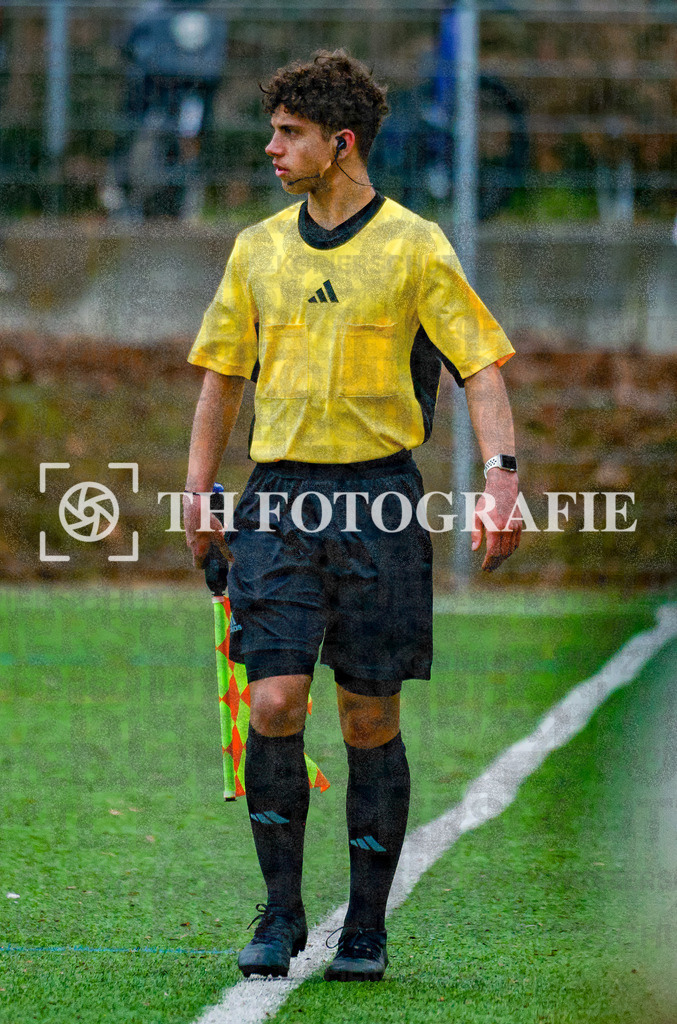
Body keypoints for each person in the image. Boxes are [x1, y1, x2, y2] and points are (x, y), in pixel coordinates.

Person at [183, 50, 521, 983]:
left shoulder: (414, 245)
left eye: (288, 134)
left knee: (369, 718)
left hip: (378, 502)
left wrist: (501, 479)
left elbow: (480, 369)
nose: (270, 148)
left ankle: (365, 927)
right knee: (276, 700)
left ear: (340, 144)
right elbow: (221, 379)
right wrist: (198, 488)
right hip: (279, 503)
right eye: (273, 130)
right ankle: (280, 910)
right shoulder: (256, 247)